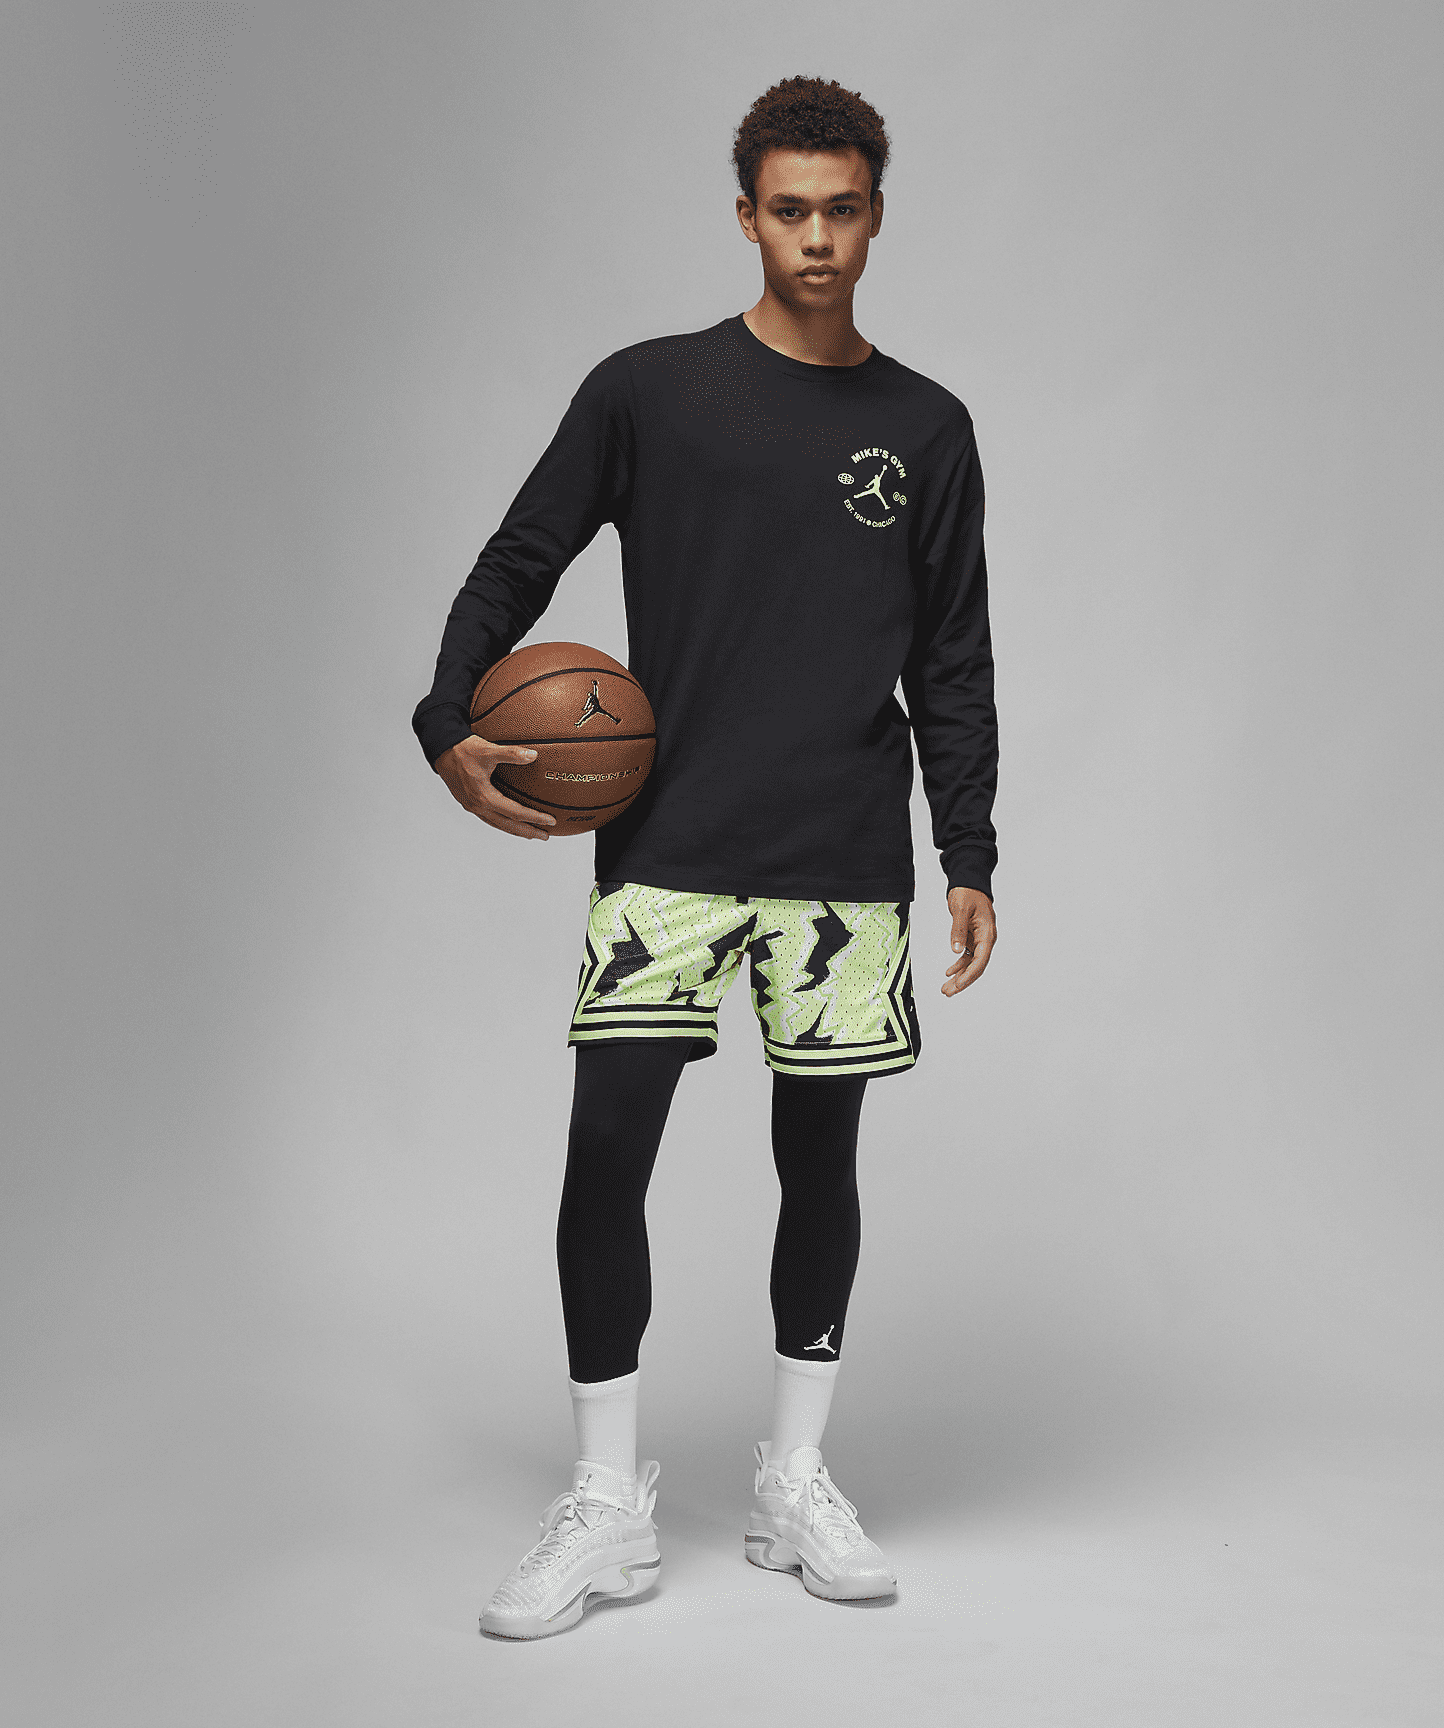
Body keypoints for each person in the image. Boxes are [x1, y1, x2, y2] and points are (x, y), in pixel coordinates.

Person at [414, 75, 998, 1639]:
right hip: (668, 848)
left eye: (843, 210)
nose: (817, 238)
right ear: (746, 216)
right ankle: (606, 1504)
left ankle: (794, 1481)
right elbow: (518, 559)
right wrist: (442, 715)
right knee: (609, 1152)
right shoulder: (648, 393)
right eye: (789, 209)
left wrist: (970, 845)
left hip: (843, 857)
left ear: (877, 216)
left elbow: (953, 657)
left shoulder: (927, 430)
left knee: (822, 1162)